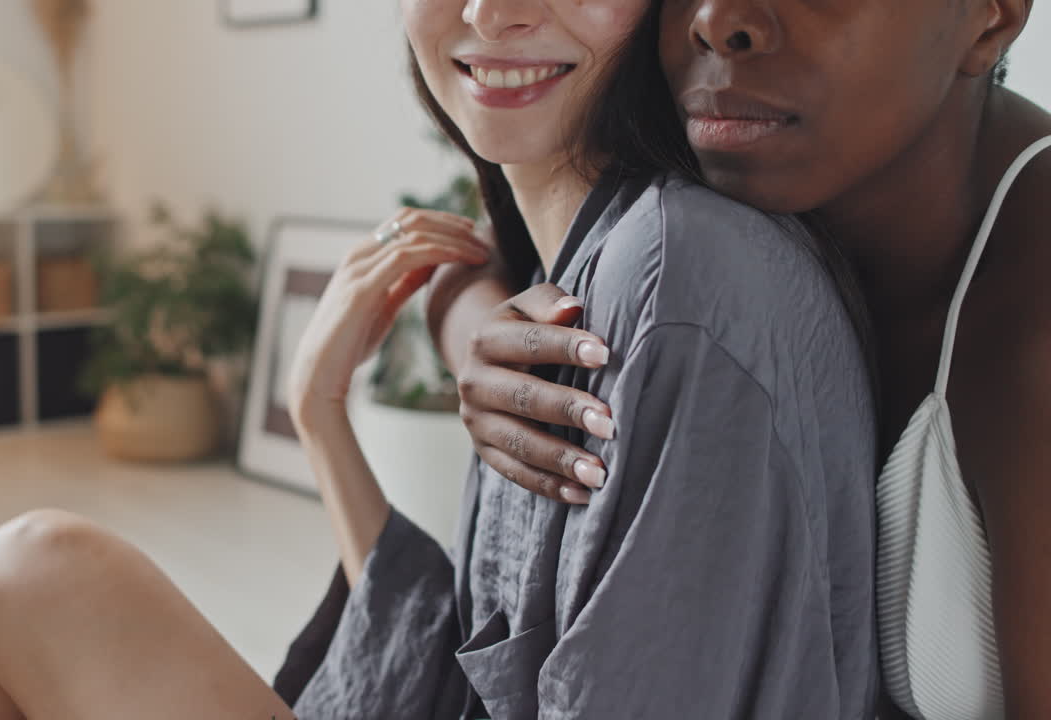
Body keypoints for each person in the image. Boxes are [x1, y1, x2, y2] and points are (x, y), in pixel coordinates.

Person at [0, 1, 879, 718]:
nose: (486, 9)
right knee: (44, 567)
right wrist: (317, 411)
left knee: (37, 576)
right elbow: (473, 649)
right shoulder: (585, 257)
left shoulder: (672, 279)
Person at [426, 0, 1050, 717]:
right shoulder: (745, 156)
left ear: (992, 17)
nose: (717, 18)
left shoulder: (1034, 323)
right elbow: (488, 241)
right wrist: (480, 336)